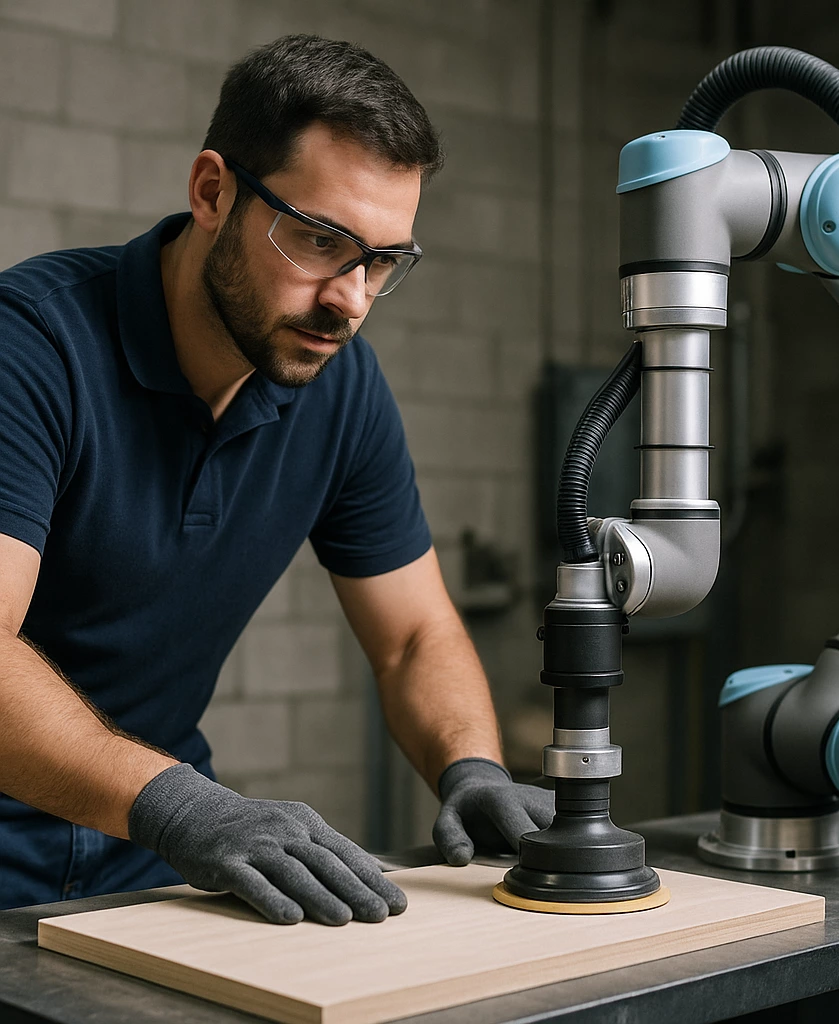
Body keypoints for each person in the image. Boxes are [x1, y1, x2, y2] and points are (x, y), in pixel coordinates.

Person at [0, 34, 553, 925]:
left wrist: (473, 767)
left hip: (146, 867)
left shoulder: (340, 387)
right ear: (213, 191)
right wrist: (186, 807)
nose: (352, 299)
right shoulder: (31, 344)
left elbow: (412, 635)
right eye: (321, 241)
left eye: (383, 260)